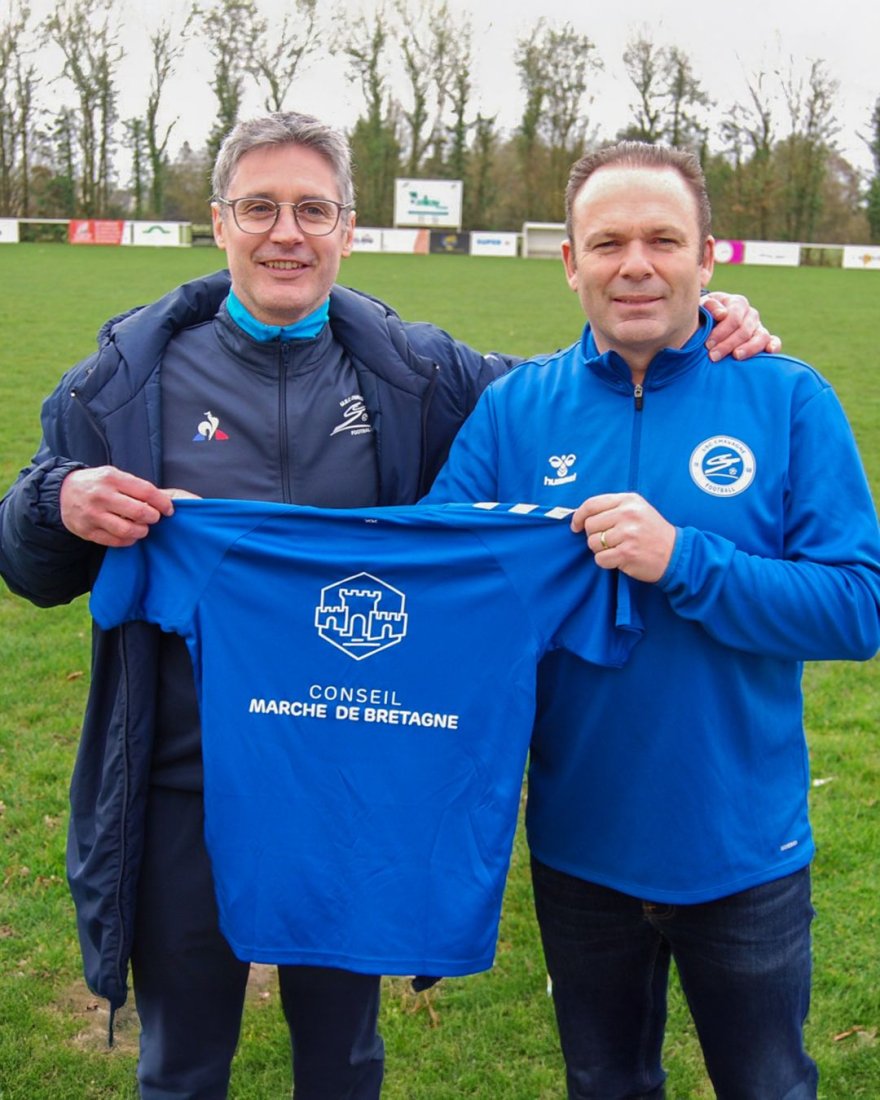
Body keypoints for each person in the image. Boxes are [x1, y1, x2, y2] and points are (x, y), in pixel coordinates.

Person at [0, 112, 775, 1100]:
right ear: (219, 222)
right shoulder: (122, 381)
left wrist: (692, 319)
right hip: (182, 782)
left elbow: (562, 397)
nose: (287, 233)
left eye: (312, 210)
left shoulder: (421, 374)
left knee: (345, 1059)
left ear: (348, 227)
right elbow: (29, 558)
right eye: (261, 208)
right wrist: (57, 501)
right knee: (182, 1062)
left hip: (354, 774)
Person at [425, 141, 880, 1098]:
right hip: (579, 848)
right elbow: (437, 586)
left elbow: (857, 605)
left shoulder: (788, 399)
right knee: (606, 1084)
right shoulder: (515, 412)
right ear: (570, 261)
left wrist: (685, 560)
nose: (636, 264)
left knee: (767, 1086)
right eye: (609, 241)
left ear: (708, 257)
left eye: (663, 239)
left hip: (742, 848)